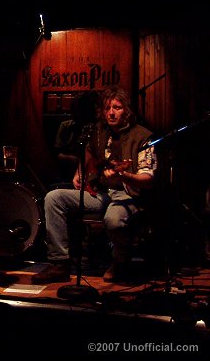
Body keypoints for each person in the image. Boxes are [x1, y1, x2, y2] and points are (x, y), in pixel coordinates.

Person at [32, 85, 156, 284]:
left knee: (113, 219)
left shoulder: (141, 137)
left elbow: (148, 179)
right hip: (100, 192)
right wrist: (79, 171)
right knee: (53, 198)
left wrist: (124, 175)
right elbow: (89, 151)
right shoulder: (98, 132)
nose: (111, 113)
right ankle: (60, 263)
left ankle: (120, 263)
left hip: (127, 195)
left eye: (117, 108)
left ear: (127, 111)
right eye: (107, 108)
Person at [52, 91, 99, 188]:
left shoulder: (98, 128)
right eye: (76, 110)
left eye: (82, 110)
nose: (78, 114)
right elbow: (57, 154)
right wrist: (77, 160)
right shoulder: (66, 126)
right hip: (68, 173)